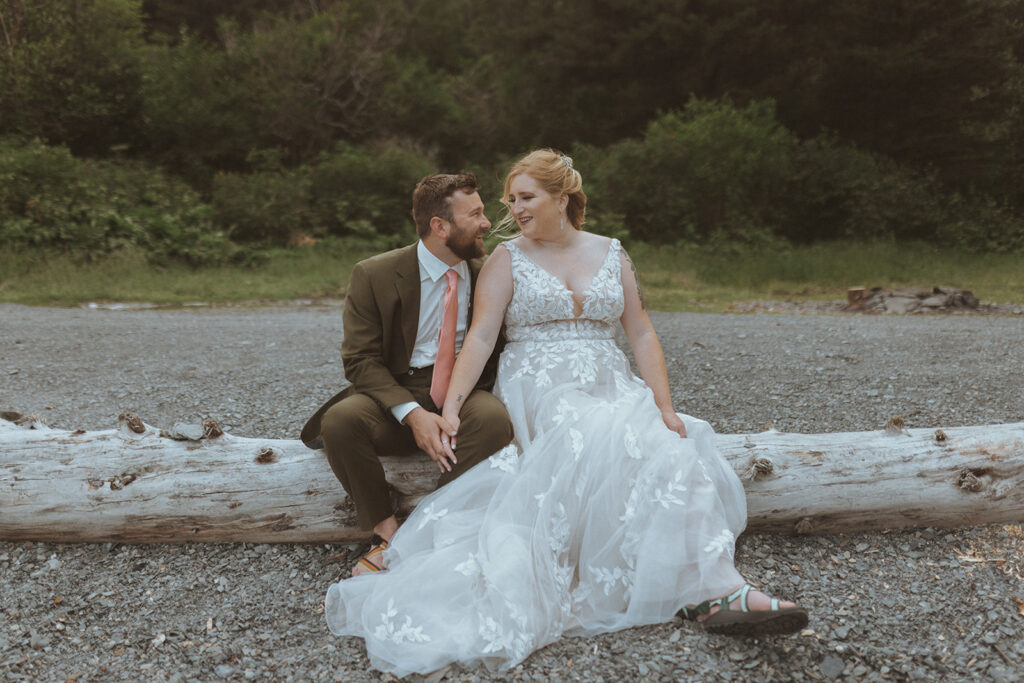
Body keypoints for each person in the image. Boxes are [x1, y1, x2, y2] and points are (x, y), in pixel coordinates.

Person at [324, 150, 808, 675]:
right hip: (542, 387)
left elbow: (641, 330)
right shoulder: (505, 259)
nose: (511, 210)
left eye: (524, 198)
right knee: (600, 437)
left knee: (675, 445)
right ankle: (389, 529)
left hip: (609, 381)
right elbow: (482, 337)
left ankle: (718, 590)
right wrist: (449, 409)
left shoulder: (612, 251)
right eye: (509, 200)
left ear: (562, 197)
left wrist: (664, 405)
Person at [301, 173, 513, 576]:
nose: (486, 223)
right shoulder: (374, 274)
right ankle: (386, 534)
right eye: (476, 214)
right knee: (341, 422)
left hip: (462, 391)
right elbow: (360, 359)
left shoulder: (489, 273)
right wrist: (413, 414)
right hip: (397, 389)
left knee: (493, 421)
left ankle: (430, 527)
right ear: (440, 226)